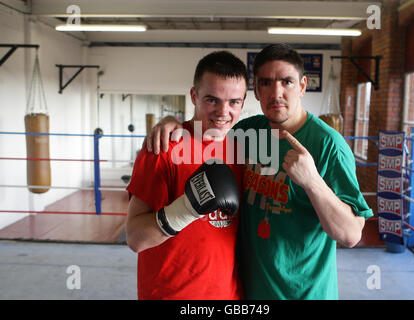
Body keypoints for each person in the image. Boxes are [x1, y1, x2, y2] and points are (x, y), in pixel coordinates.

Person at [146, 44, 373, 300]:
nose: (276, 93)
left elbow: (351, 234)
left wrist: (312, 182)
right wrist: (170, 124)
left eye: (286, 82)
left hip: (303, 294)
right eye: (266, 82)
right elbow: (209, 124)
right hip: (248, 291)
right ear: (256, 90)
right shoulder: (246, 132)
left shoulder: (328, 144)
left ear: (302, 86)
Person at [126, 50, 248, 300]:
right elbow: (136, 238)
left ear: (243, 102)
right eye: (212, 100)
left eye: (234, 102)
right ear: (194, 95)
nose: (223, 112)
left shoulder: (243, 150)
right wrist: (187, 209)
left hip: (229, 295)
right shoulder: (163, 148)